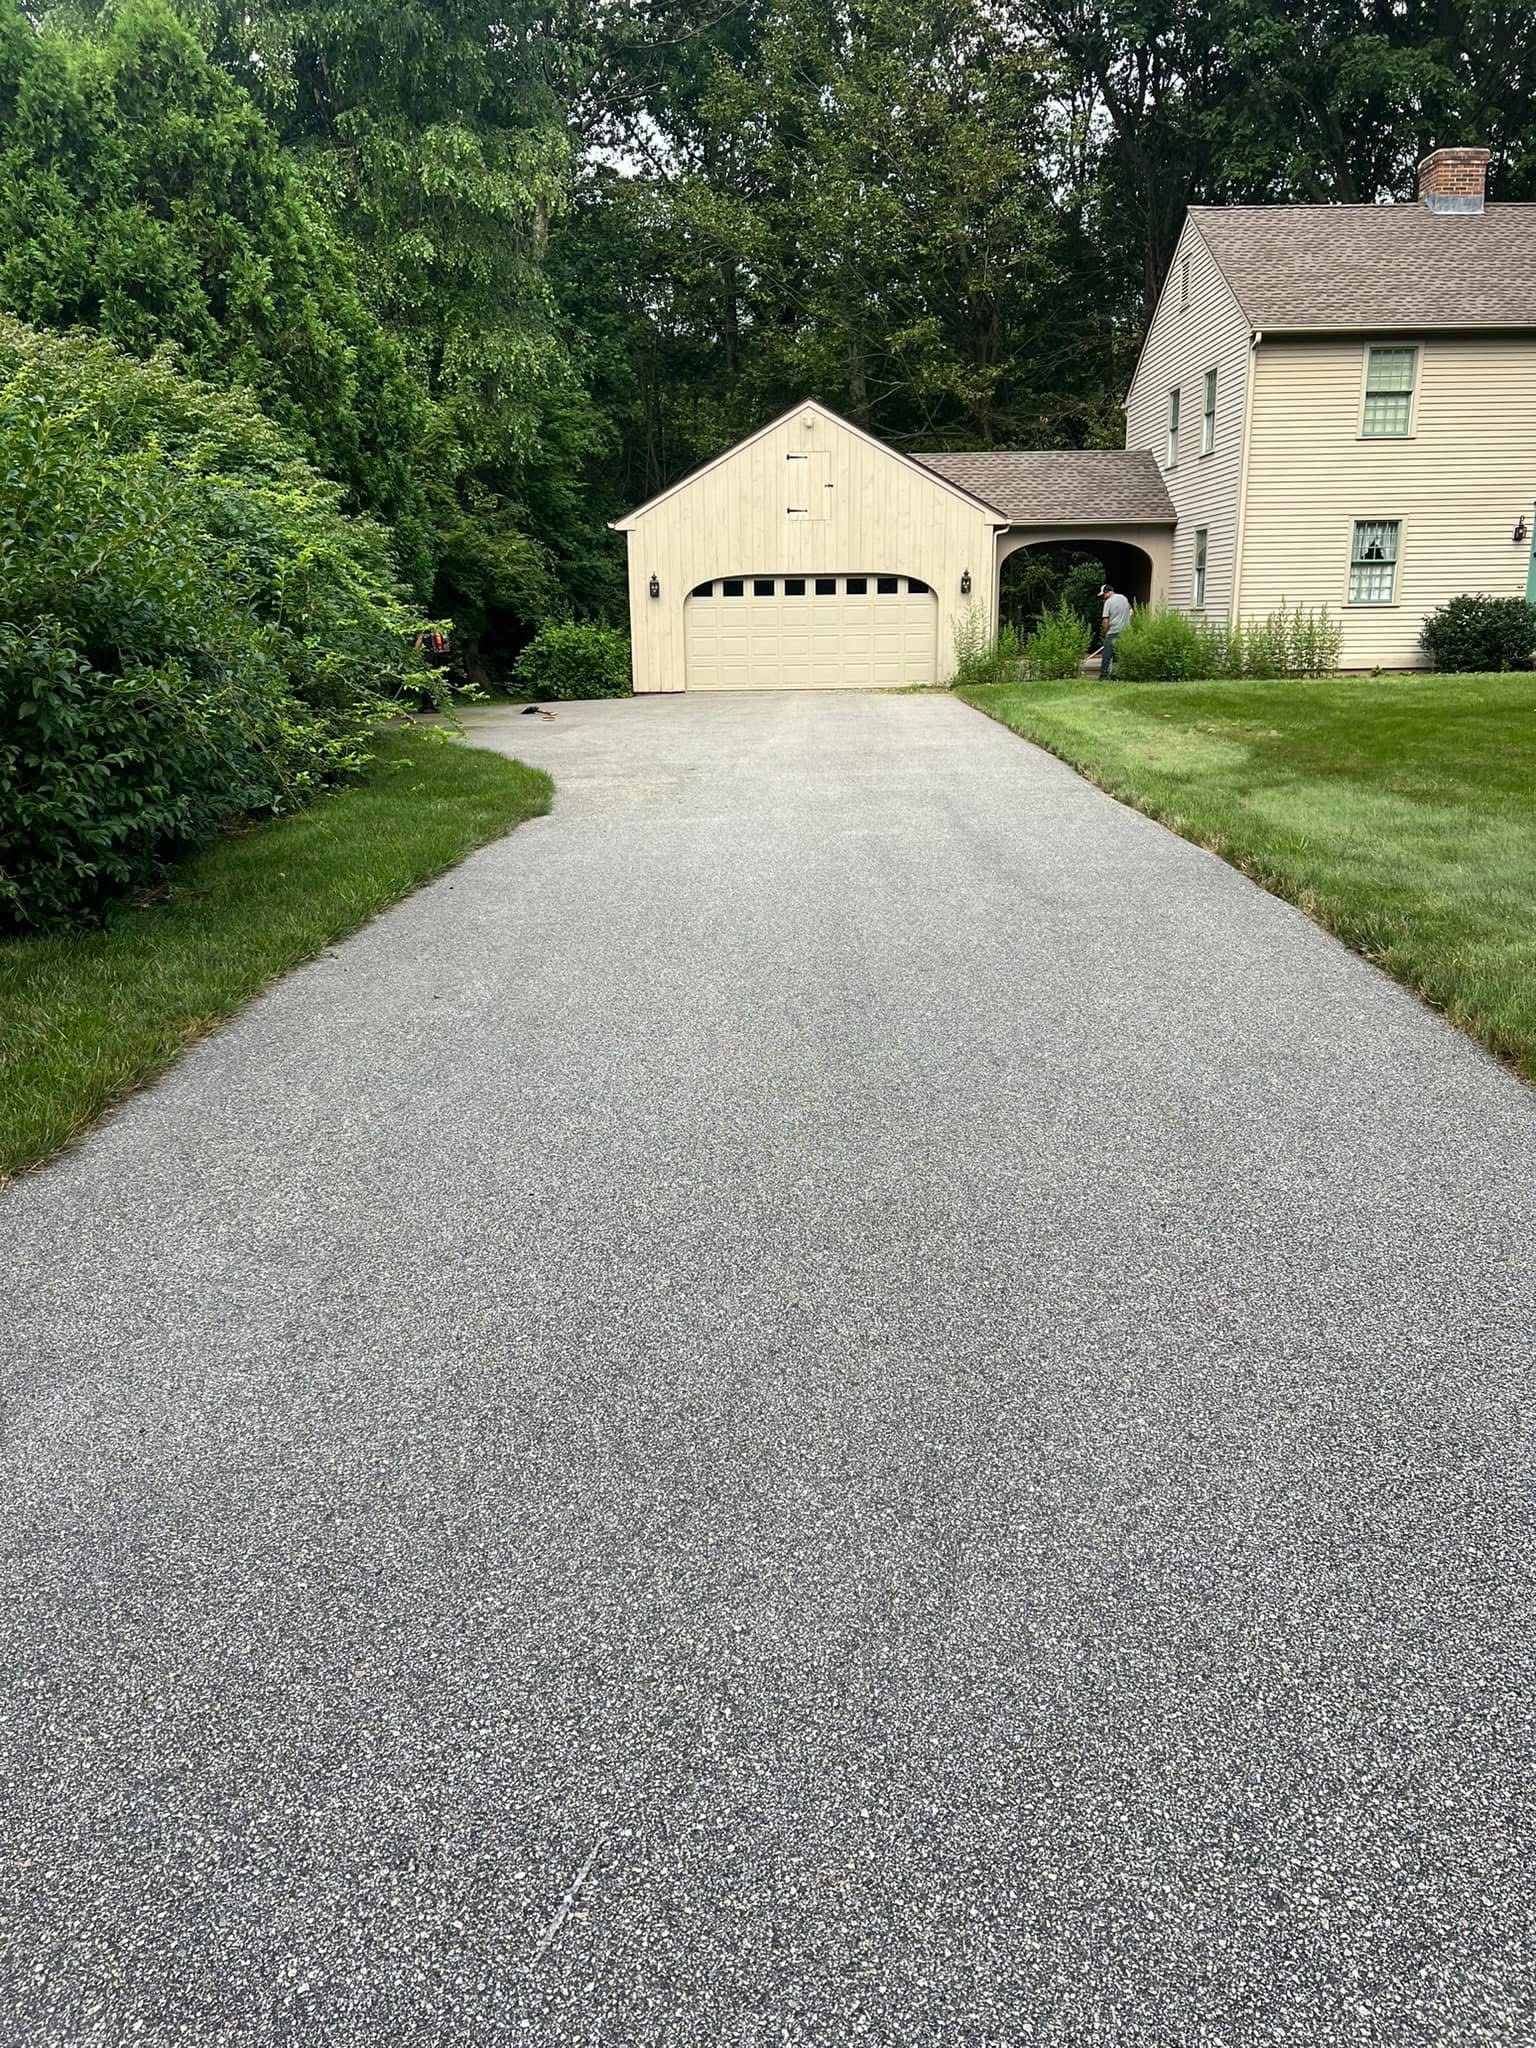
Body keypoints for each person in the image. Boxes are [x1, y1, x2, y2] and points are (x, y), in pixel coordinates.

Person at [1098, 582, 1132, 677]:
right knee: (1118, 655)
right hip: (1125, 631)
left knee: (1107, 655)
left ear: (1107, 592)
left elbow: (1105, 620)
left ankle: (1104, 676)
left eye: (1103, 595)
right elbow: (1131, 610)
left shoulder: (1108, 602)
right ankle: (1116, 675)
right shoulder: (1124, 598)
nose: (1103, 597)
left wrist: (1105, 633)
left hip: (1113, 632)